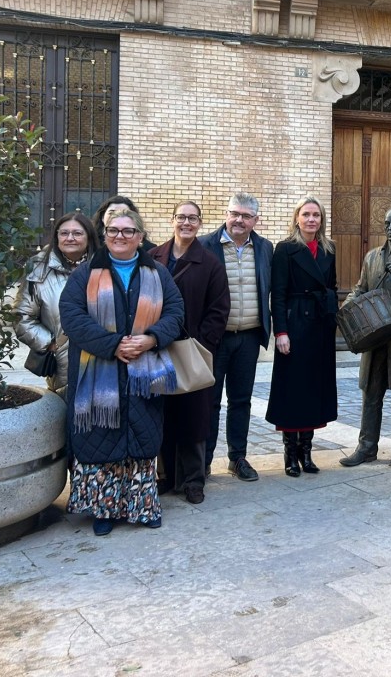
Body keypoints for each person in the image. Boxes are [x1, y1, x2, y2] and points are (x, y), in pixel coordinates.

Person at [59, 208, 184, 536]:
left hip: (143, 374)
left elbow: (175, 312)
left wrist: (150, 339)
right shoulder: (84, 275)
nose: (120, 236)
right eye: (113, 230)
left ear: (140, 237)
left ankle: (143, 506)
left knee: (142, 438)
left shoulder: (157, 274)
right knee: (101, 436)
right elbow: (72, 318)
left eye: (128, 231)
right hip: (99, 374)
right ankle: (104, 509)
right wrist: (114, 344)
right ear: (104, 235)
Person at [149, 202, 230, 504]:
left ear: (199, 223)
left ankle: (193, 480)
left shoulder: (210, 263)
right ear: (172, 221)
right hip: (156, 350)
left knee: (194, 417)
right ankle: (165, 476)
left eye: (192, 218)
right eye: (181, 217)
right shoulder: (153, 258)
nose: (186, 222)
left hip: (191, 351)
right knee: (161, 413)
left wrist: (200, 345)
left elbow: (219, 310)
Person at [339, 208, 391, 469]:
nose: (390, 228)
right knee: (371, 391)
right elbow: (361, 286)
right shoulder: (372, 256)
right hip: (374, 332)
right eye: (387, 223)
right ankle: (366, 447)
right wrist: (348, 304)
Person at [200, 192, 273, 481]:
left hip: (249, 337)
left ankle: (237, 458)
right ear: (226, 214)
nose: (238, 220)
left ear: (256, 220)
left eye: (245, 216)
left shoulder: (265, 248)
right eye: (234, 213)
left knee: (241, 400)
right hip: (215, 339)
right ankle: (204, 460)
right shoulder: (205, 245)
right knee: (210, 400)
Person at [266, 196, 339, 476]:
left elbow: (331, 284)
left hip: (320, 326)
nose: (311, 219)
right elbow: (279, 293)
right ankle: (289, 452)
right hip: (295, 325)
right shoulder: (285, 249)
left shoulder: (328, 249)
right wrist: (281, 331)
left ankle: (306, 452)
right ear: (297, 217)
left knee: (313, 389)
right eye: (306, 214)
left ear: (322, 220)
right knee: (292, 389)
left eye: (316, 215)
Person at [15, 212, 98, 398]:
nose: (70, 238)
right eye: (64, 233)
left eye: (77, 233)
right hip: (62, 363)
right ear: (56, 237)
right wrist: (51, 343)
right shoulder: (38, 268)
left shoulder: (105, 267)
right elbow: (22, 317)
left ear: (89, 237)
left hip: (102, 358)